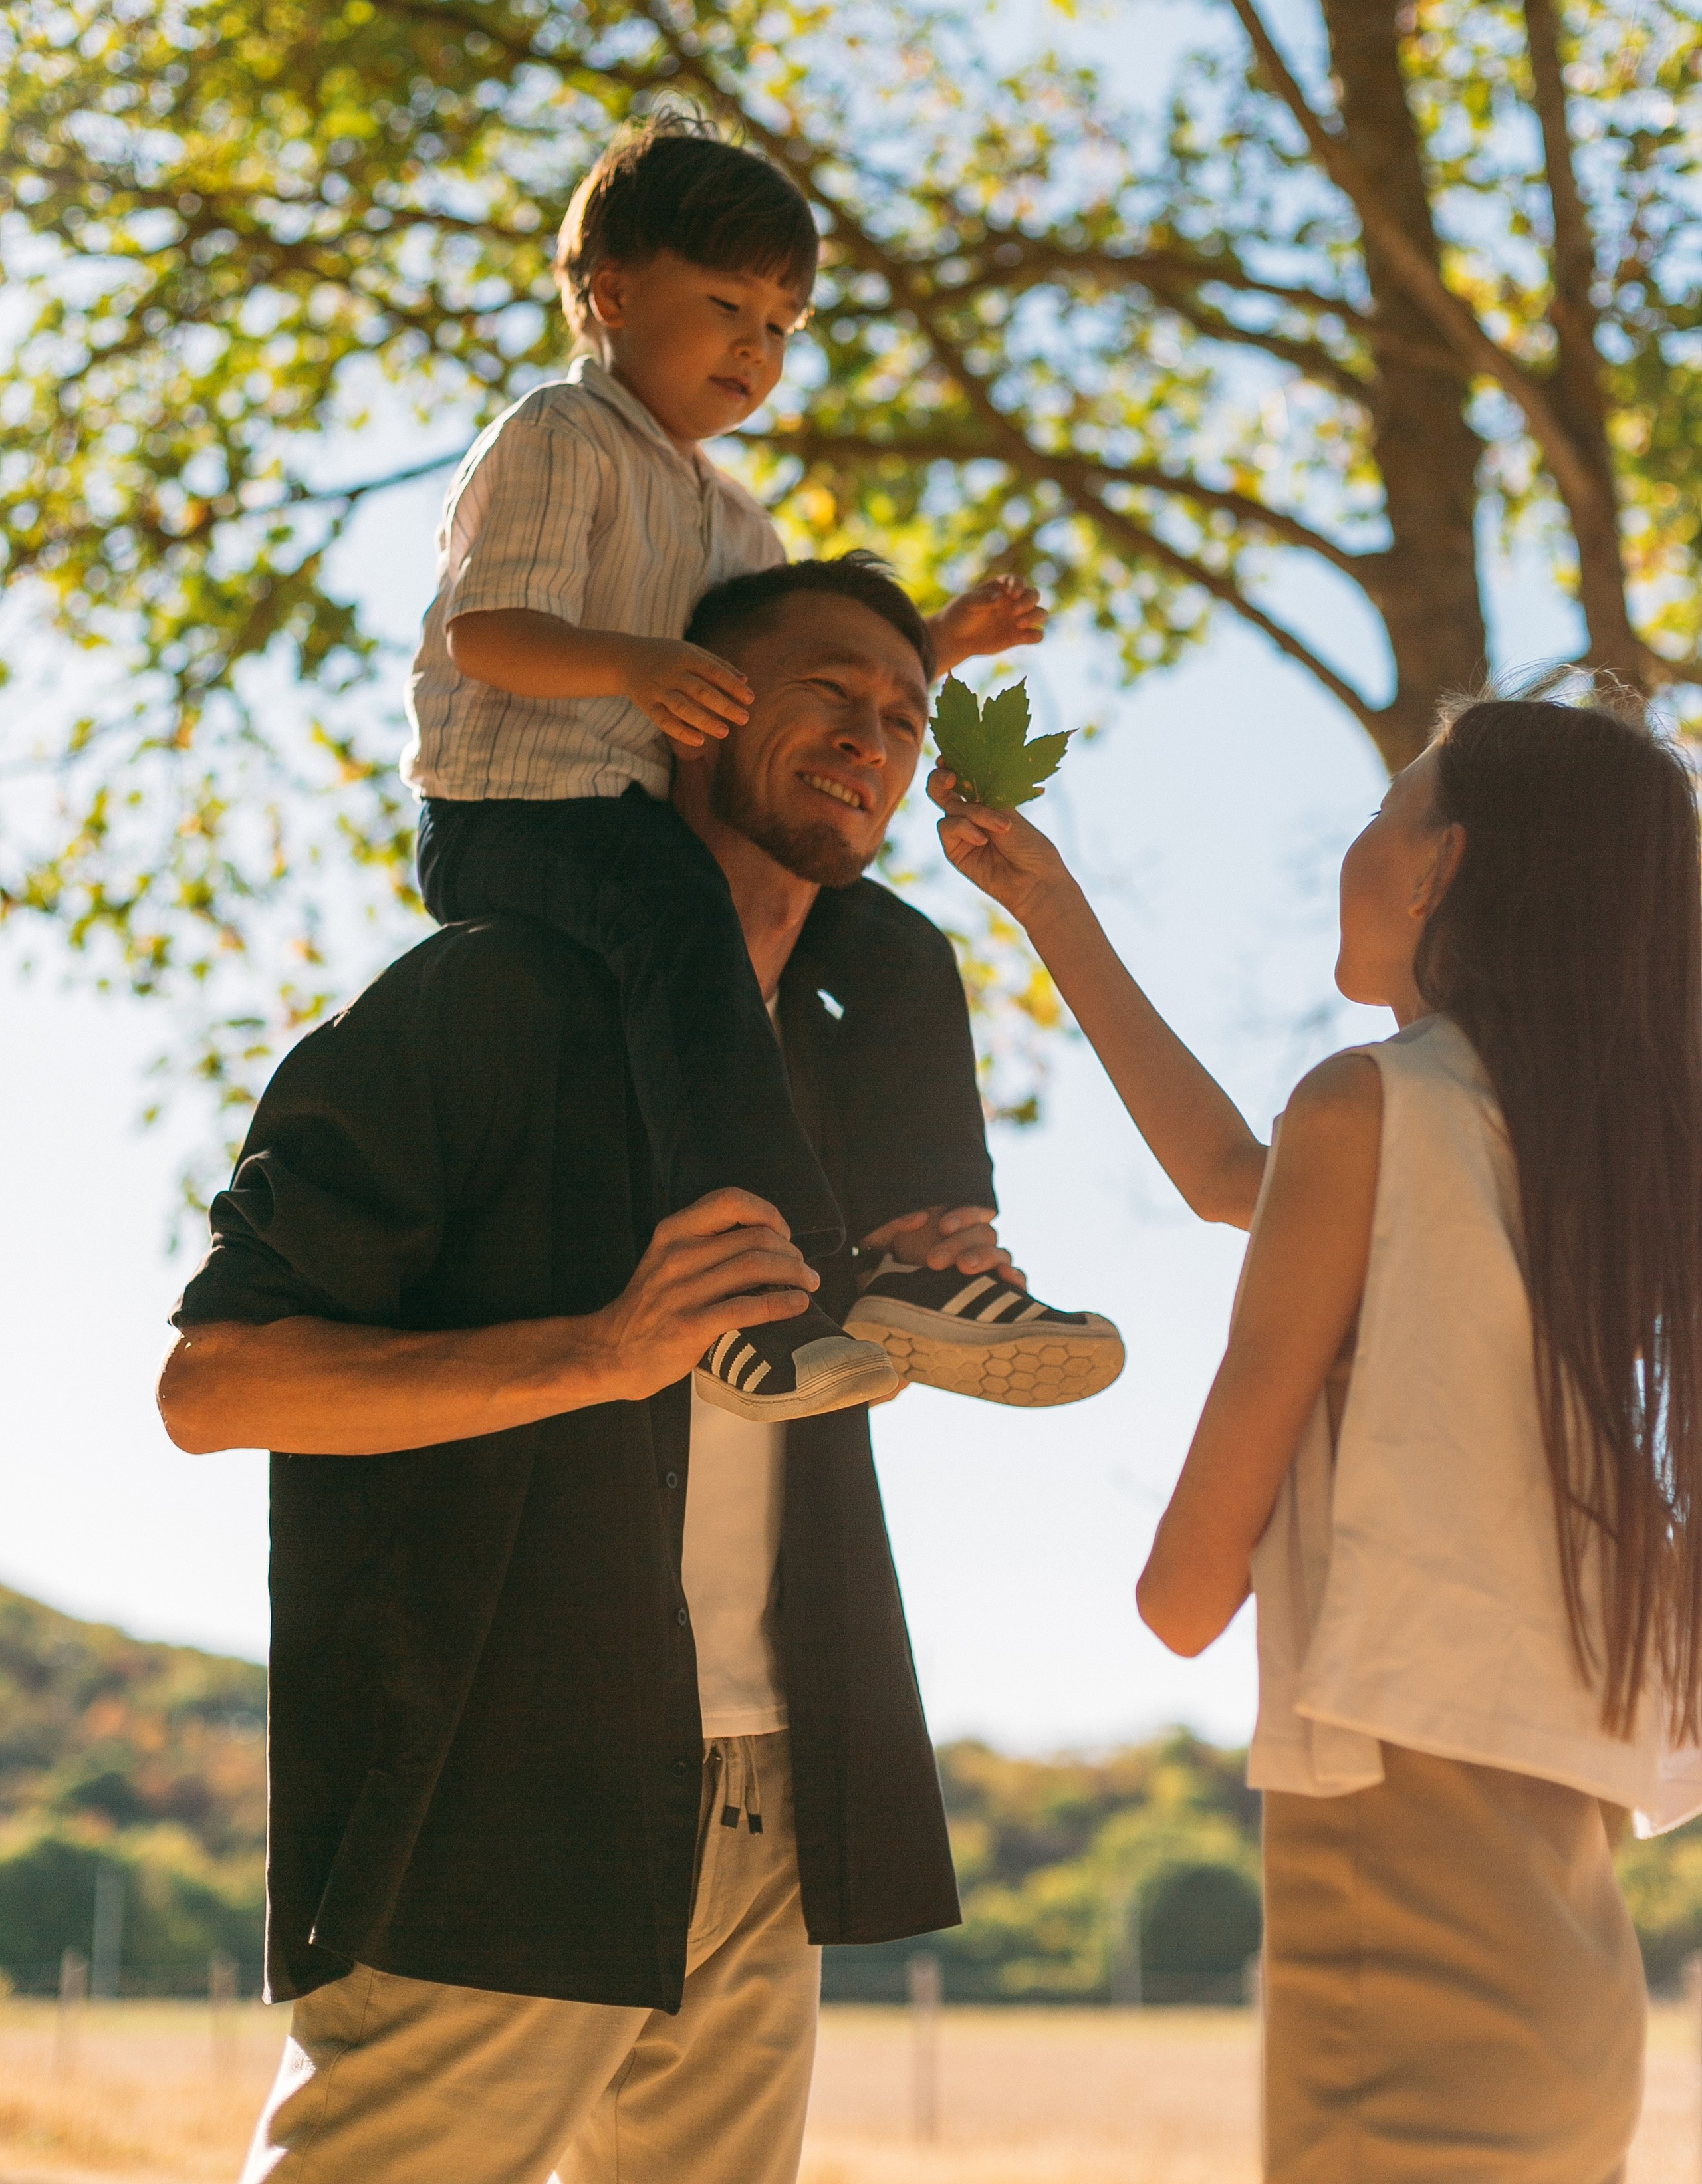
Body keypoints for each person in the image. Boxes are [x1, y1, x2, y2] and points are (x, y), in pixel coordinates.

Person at [162, 557, 1118, 2184]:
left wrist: (912, 1282)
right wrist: (604, 1354)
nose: (873, 737)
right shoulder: (482, 995)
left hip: (773, 1789)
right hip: (496, 1789)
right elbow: (217, 1388)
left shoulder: (854, 1044)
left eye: (905, 714)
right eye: (827, 689)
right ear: (692, 711)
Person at [931, 683, 1702, 2181]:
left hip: (1405, 1955)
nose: (1358, 845)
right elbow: (1238, 1175)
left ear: (1437, 869)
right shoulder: (1593, 1160)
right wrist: (1053, 914)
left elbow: (1181, 1596)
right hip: (1570, 1981)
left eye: (1380, 812)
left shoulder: (1368, 1111)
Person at [403, 108, 1066, 1421]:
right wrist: (630, 666)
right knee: (683, 918)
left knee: (897, 948)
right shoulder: (560, 435)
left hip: (644, 830)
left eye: (780, 324)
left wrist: (935, 646)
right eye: (725, 307)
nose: (755, 348)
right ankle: (750, 1278)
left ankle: (923, 1248)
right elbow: (487, 633)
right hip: (512, 812)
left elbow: (795, 672)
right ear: (612, 295)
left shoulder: (739, 520)